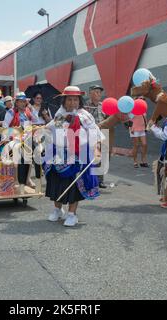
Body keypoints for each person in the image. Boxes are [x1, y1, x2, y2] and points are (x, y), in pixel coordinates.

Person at [44, 86, 103, 227]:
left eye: (75, 99)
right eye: (69, 99)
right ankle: (57, 210)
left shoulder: (84, 115)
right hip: (58, 154)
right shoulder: (60, 114)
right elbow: (51, 128)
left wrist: (97, 149)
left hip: (78, 156)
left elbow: (95, 133)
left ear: (79, 101)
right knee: (55, 183)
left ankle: (72, 214)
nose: (72, 103)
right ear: (64, 101)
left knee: (74, 186)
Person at [3, 92, 36, 192]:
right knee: (16, 161)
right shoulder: (10, 112)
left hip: (27, 139)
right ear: (16, 103)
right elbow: (5, 126)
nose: (22, 103)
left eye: (24, 101)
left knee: (29, 160)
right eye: (20, 101)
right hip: (14, 139)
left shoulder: (28, 112)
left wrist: (32, 109)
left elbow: (35, 121)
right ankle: (16, 180)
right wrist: (6, 140)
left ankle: (27, 178)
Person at [84, 85, 107, 189]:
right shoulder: (86, 106)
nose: (99, 94)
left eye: (99, 92)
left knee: (102, 158)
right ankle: (90, 180)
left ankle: (100, 180)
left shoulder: (104, 105)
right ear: (90, 93)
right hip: (91, 134)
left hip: (103, 134)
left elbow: (108, 118)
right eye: (96, 92)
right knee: (92, 158)